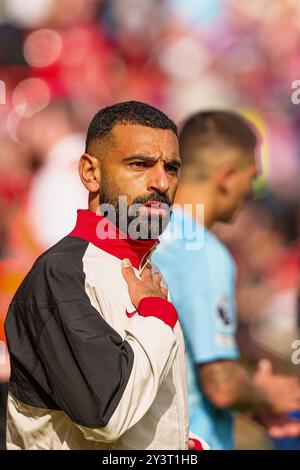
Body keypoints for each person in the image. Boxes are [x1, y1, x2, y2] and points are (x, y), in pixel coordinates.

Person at [5, 100, 207, 451]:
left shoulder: (144, 269)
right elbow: (108, 416)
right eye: (140, 164)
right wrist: (156, 316)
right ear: (91, 173)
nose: (161, 181)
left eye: (171, 168)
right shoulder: (61, 275)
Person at [153, 110, 300, 450]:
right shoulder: (203, 252)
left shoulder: (144, 234)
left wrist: (251, 402)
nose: (250, 191)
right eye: (253, 177)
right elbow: (221, 384)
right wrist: (271, 394)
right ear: (227, 175)